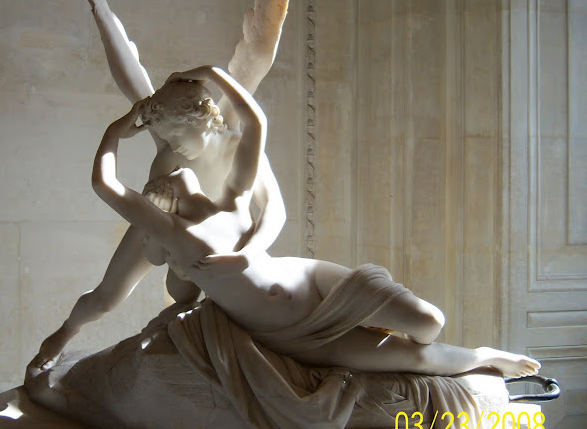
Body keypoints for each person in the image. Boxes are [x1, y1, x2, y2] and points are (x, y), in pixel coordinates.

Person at [92, 65, 541, 380]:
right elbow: (106, 187)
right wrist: (116, 131)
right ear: (162, 205)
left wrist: (208, 73)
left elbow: (256, 122)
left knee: (429, 323)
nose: (175, 162)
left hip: (312, 284)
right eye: (169, 178)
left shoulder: (232, 200)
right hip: (292, 334)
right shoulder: (174, 238)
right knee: (417, 359)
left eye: (176, 149)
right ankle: (486, 358)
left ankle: (451, 345)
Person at [30, 0, 313, 370]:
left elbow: (276, 210)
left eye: (179, 140)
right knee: (104, 297)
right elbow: (124, 72)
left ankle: (193, 357)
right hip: (157, 227)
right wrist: (100, 9)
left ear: (204, 122)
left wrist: (249, 253)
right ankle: (61, 337)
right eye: (165, 139)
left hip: (218, 241)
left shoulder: (239, 149)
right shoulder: (168, 135)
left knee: (201, 305)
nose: (171, 149)